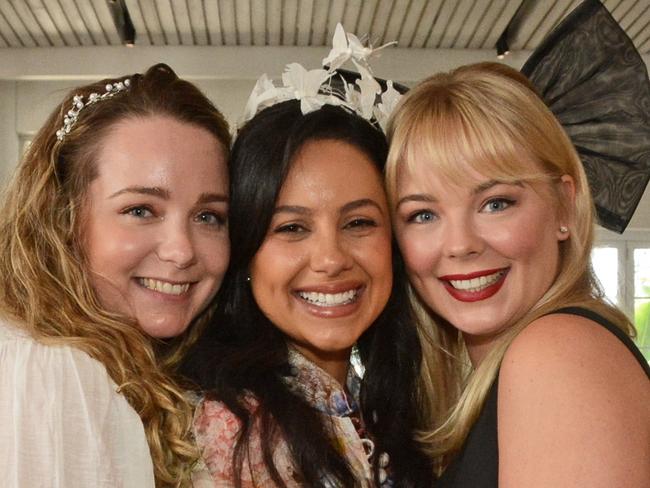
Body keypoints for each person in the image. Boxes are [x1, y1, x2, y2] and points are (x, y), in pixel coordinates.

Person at [385, 61, 650, 487]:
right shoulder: (501, 376)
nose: (460, 244)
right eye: (423, 214)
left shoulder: (555, 352)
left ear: (565, 204)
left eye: (496, 203)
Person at [0, 63, 231, 487]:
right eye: (140, 210)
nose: (181, 250)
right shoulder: (51, 374)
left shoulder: (135, 370)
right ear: (62, 217)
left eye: (208, 216)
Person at [187, 98, 432, 487]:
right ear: (247, 250)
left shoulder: (389, 403)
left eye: (358, 222)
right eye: (292, 228)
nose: (331, 259)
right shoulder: (232, 426)